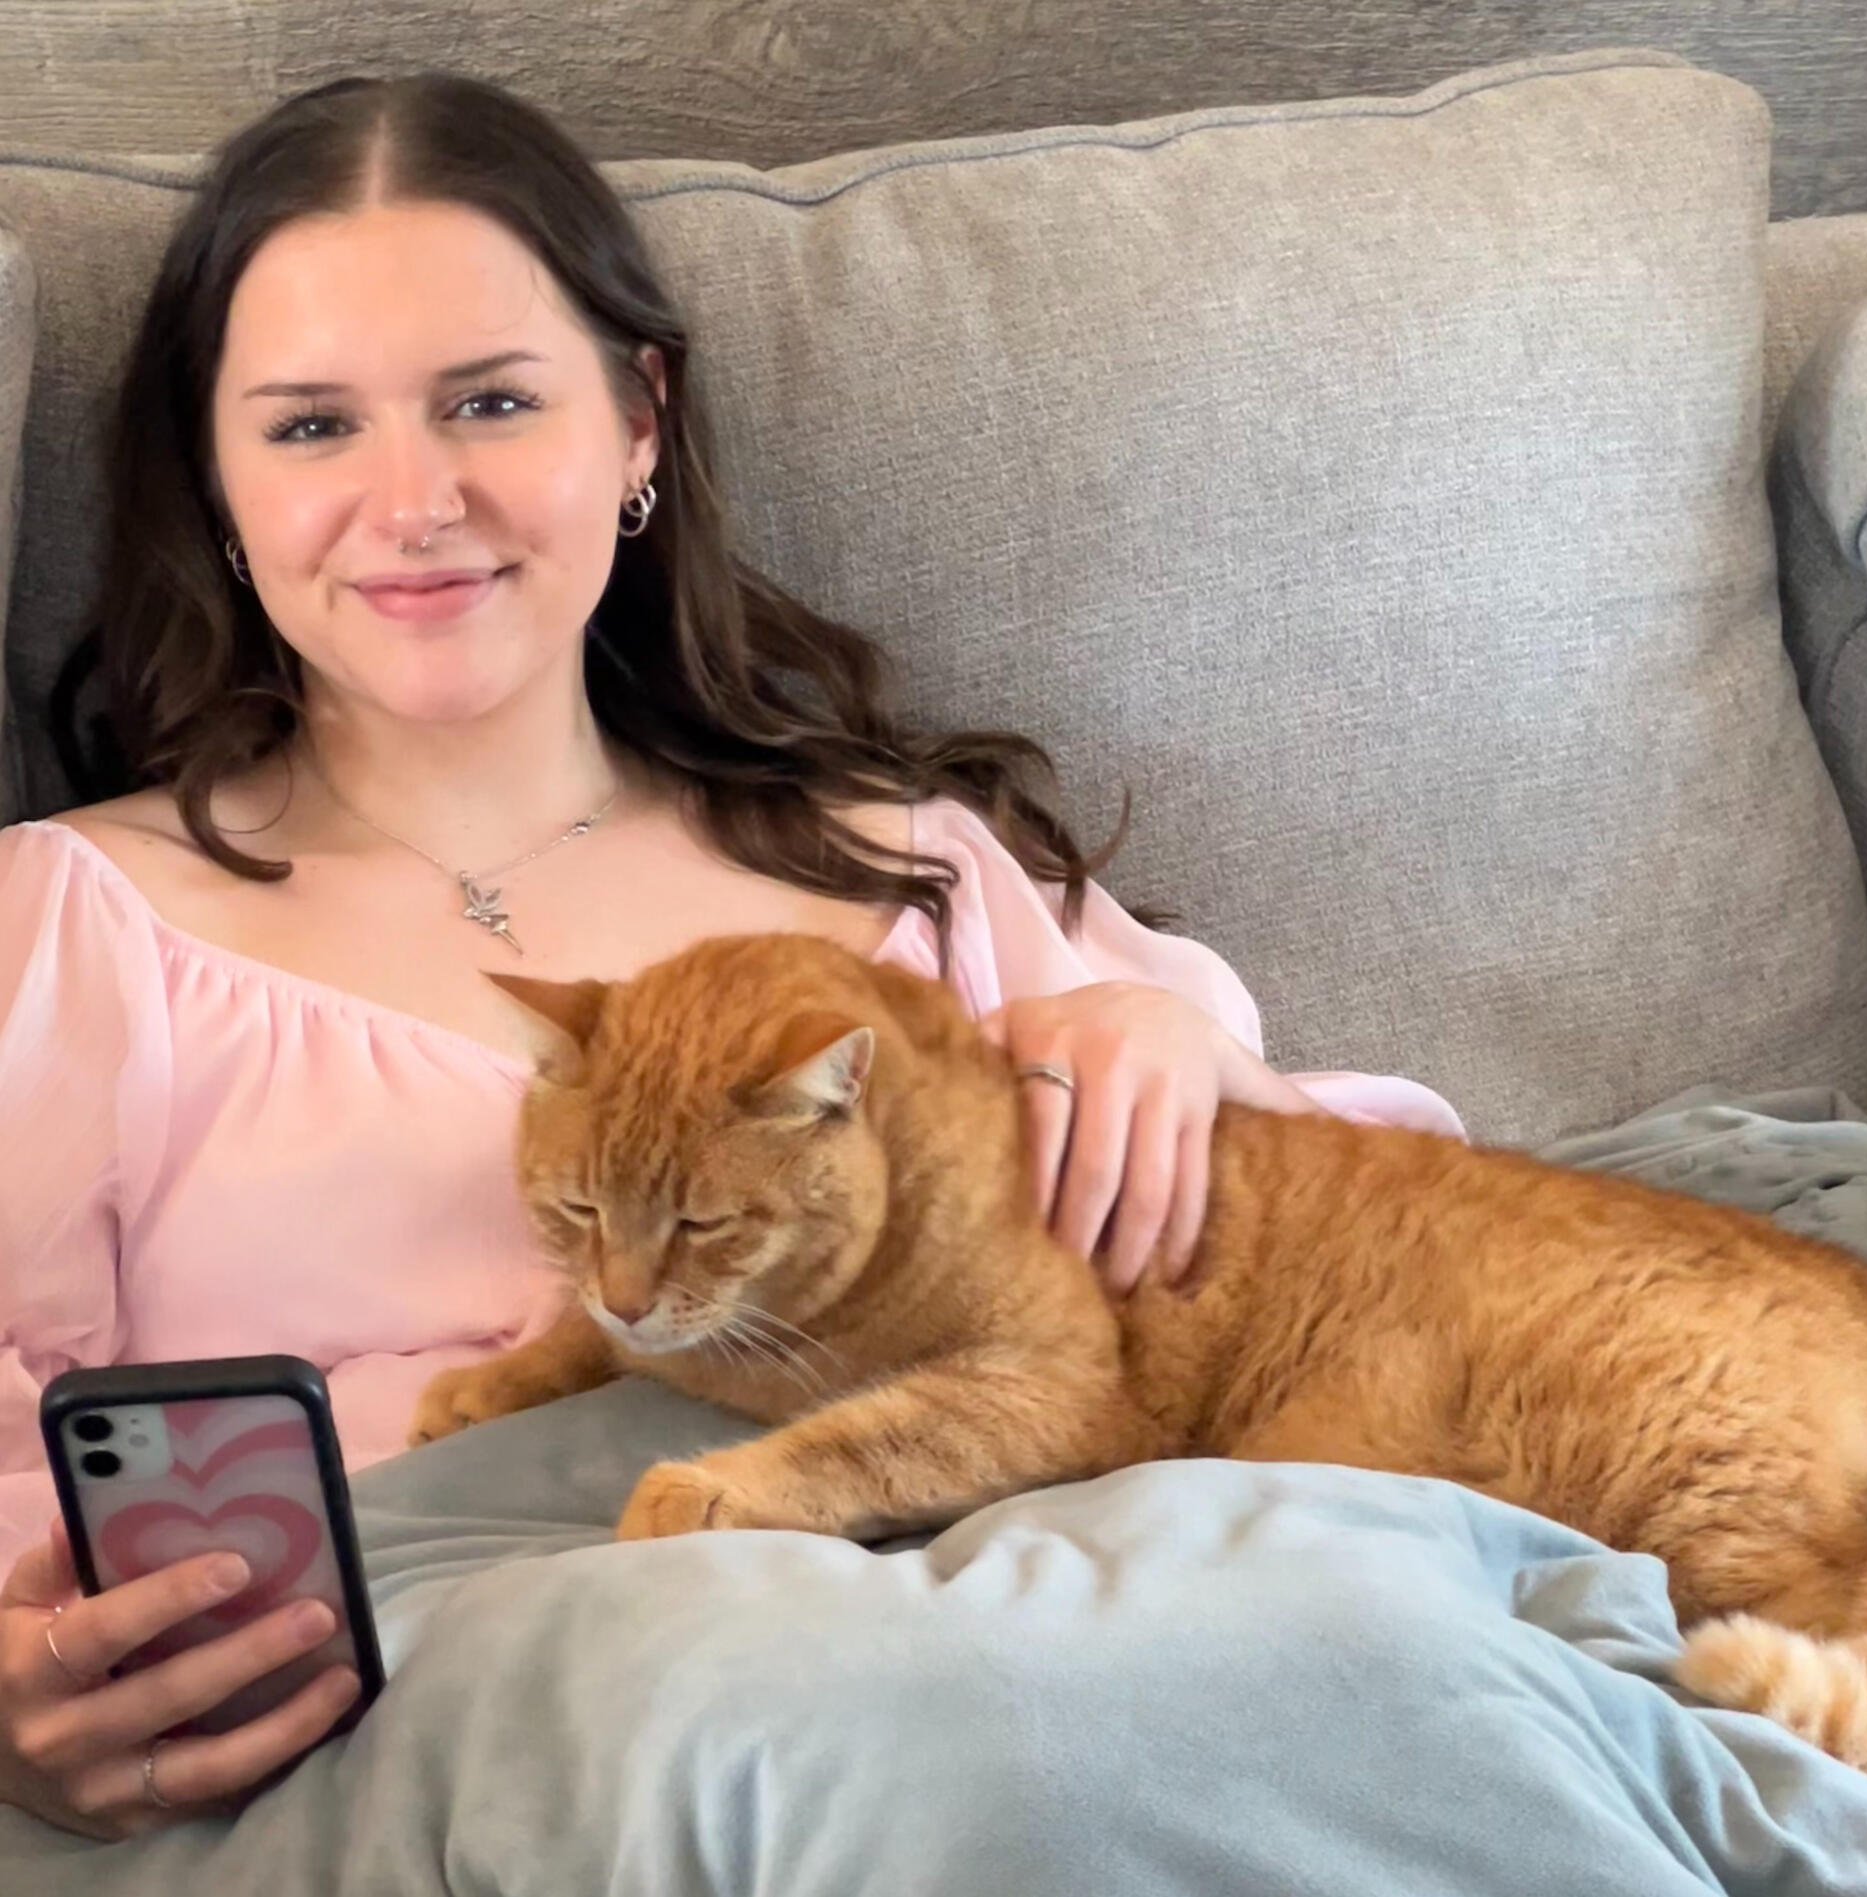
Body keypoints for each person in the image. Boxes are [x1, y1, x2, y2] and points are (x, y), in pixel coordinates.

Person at [0, 72, 1462, 1840]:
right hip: (470, 1748)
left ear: (639, 423)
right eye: (311, 426)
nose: (413, 499)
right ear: (217, 480)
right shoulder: (75, 931)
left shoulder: (904, 873)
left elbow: (1371, 1277)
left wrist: (1180, 1045)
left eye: (490, 402)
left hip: (1033, 1668)